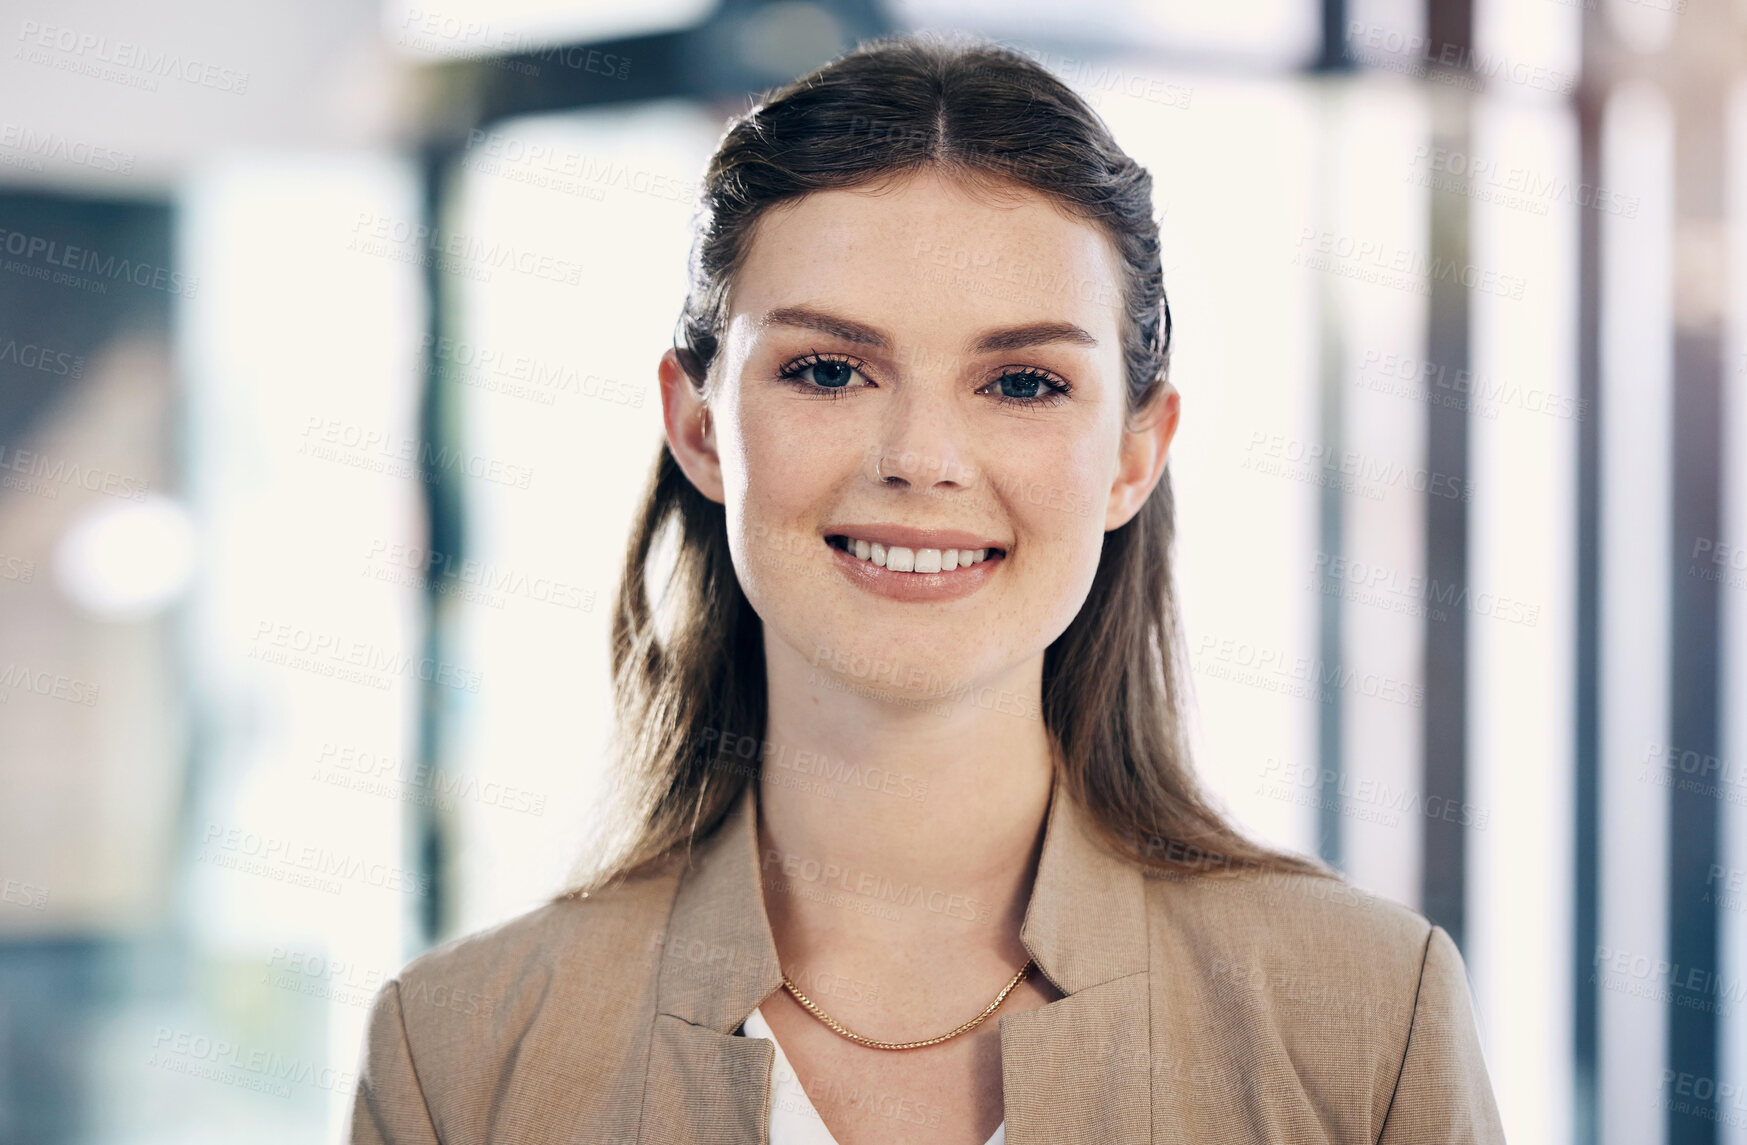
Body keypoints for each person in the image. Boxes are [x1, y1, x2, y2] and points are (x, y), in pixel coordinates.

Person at [346, 30, 1506, 1145]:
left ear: (1132, 454)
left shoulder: (1365, 1022)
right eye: (828, 369)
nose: (920, 457)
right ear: (699, 429)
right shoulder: (459, 1056)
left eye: (1021, 383)